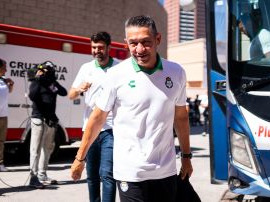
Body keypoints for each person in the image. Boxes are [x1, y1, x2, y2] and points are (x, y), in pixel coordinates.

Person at [71, 15, 193, 202]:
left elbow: (181, 117)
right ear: (126, 43)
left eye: (146, 42)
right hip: (130, 173)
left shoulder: (176, 72)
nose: (140, 49)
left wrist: (186, 156)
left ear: (158, 39)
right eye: (133, 43)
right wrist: (80, 159)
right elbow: (97, 119)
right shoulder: (115, 75)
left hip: (166, 171)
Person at [69, 31, 119, 202]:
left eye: (100, 47)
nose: (96, 50)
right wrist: (79, 89)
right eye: (93, 47)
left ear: (108, 48)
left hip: (111, 130)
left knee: (107, 174)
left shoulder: (119, 68)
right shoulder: (86, 68)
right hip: (89, 130)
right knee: (92, 176)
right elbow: (71, 95)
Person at [28, 61, 67, 188]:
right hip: (38, 119)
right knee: (35, 150)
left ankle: (42, 174)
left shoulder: (52, 84)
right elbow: (32, 96)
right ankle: (33, 178)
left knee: (47, 149)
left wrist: (52, 84)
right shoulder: (36, 81)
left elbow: (63, 92)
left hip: (50, 120)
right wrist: (38, 79)